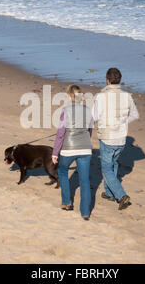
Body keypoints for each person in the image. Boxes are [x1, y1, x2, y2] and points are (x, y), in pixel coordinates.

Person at [92, 68, 139, 210]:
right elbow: (135, 115)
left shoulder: (101, 96)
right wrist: (122, 122)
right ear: (120, 80)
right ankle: (109, 193)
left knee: (107, 168)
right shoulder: (127, 96)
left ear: (107, 80)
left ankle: (121, 195)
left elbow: (94, 116)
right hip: (121, 138)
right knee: (113, 164)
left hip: (108, 137)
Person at [52, 85, 93, 220]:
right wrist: (85, 141)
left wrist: (55, 152)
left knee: (63, 171)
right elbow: (89, 130)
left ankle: (67, 202)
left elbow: (60, 133)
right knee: (85, 180)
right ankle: (85, 212)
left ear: (69, 96)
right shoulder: (88, 110)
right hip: (86, 147)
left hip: (69, 147)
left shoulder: (66, 110)